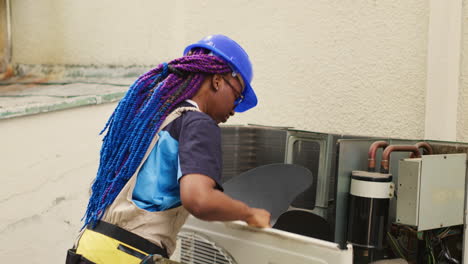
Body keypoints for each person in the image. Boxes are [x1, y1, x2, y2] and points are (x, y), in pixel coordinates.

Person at [66, 34, 271, 264]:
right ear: (218, 80)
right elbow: (199, 199)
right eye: (237, 96)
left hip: (88, 247)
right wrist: (249, 214)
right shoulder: (198, 123)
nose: (234, 110)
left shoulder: (151, 117)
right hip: (128, 256)